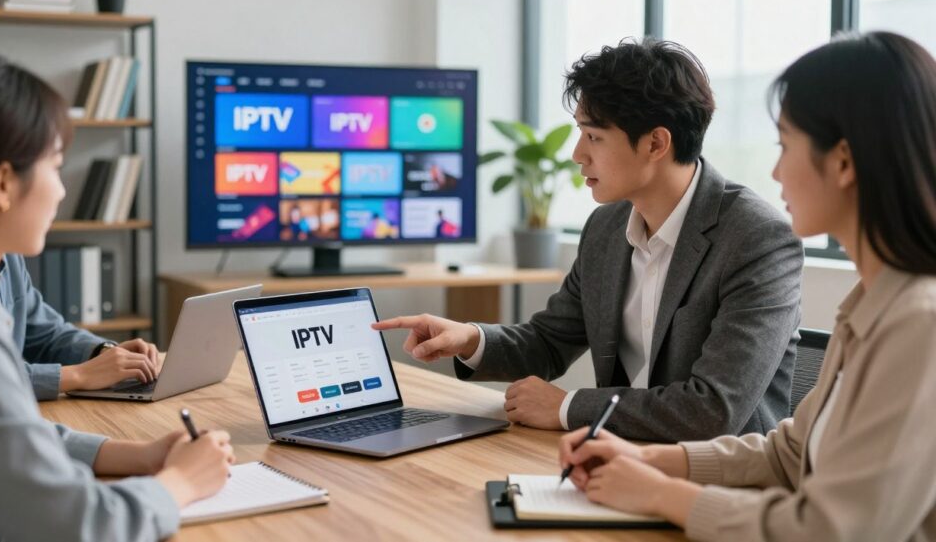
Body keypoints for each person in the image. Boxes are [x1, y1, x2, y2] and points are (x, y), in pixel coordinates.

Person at [558, 31, 936, 540]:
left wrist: (657, 492)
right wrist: (646, 457)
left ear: (843, 162)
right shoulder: (872, 302)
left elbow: (832, 530)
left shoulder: (919, 324)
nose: (776, 171)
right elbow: (791, 453)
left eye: (786, 145)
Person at [374, 38, 803, 441]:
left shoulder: (756, 239)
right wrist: (469, 338)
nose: (578, 153)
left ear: (656, 143)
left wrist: (568, 407)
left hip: (723, 486)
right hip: (620, 462)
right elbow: (548, 343)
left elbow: (713, 410)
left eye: (594, 136)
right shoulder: (606, 228)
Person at [0, 52, 234, 540]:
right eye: (56, 167)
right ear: (2, 183)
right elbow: (78, 525)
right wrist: (179, 483)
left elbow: (5, 439)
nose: (62, 192)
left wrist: (136, 454)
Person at [0, 252, 161, 401]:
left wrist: (102, 353)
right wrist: (80, 375)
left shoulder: (11, 257)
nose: (54, 214)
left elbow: (47, 333)